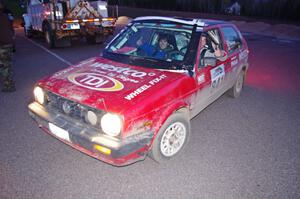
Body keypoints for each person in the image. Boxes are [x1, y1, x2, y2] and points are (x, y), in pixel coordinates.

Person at [0, 0, 16, 92]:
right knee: (7, 65)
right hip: (8, 43)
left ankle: (9, 86)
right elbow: (11, 30)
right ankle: (9, 84)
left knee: (4, 66)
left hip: (2, 44)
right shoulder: (6, 17)